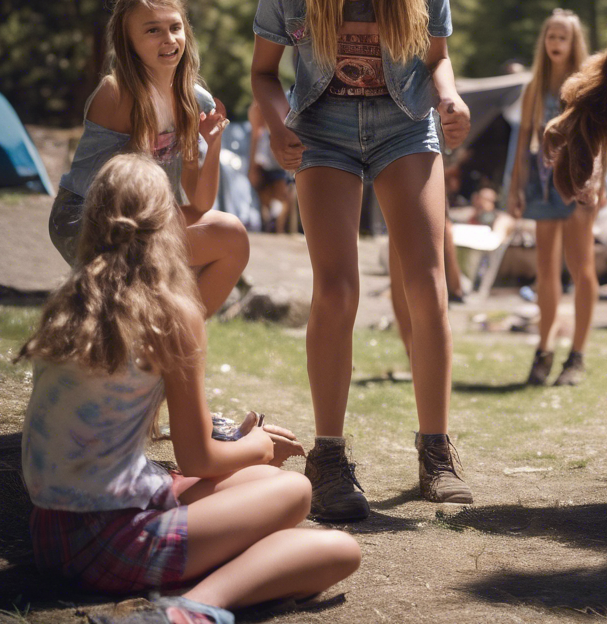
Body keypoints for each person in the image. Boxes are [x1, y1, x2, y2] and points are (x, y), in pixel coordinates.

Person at [20, 155, 360, 624]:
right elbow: (199, 459)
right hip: (111, 546)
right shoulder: (169, 314)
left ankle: (200, 570)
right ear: (169, 227)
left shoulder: (70, 301)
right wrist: (257, 446)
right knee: (312, 515)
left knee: (268, 486)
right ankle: (190, 610)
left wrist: (238, 451)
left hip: (51, 531)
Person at [251, 0, 473, 522]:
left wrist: (451, 94)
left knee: (425, 278)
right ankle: (331, 455)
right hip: (323, 131)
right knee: (338, 289)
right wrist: (275, 123)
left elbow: (435, 59)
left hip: (407, 123)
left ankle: (436, 450)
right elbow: (263, 76)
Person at [48, 0, 249, 317]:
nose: (169, 39)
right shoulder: (116, 94)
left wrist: (211, 145)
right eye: (153, 31)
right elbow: (116, 197)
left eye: (175, 27)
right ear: (129, 43)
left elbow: (199, 202)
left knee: (231, 237)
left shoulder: (192, 99)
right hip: (87, 217)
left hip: (149, 221)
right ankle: (151, 344)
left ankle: (175, 345)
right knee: (152, 277)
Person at [508, 9, 599, 387]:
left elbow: (601, 137)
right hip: (542, 186)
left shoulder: (588, 84)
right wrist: (513, 187)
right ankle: (544, 350)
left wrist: (598, 180)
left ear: (574, 42)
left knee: (581, 268)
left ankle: (576, 355)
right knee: (545, 269)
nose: (555, 43)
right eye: (550, 37)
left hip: (579, 183)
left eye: (562, 37)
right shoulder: (535, 87)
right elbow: (523, 139)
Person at [247, 102, 295, 233]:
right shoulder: (263, 131)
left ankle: (274, 225)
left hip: (276, 166)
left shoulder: (267, 128)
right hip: (272, 166)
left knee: (279, 198)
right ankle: (273, 224)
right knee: (271, 198)